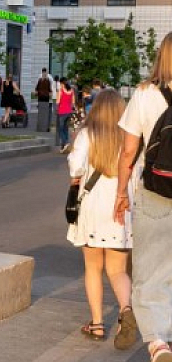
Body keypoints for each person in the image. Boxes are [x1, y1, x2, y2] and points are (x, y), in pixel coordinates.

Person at [114, 31, 172, 362]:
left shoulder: (145, 94)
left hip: (156, 194)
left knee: (150, 276)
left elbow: (127, 152)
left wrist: (121, 192)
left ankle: (159, 347)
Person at [67, 89, 135, 348]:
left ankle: (96, 324)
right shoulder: (129, 137)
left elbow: (76, 168)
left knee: (93, 267)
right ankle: (126, 310)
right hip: (120, 208)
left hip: (93, 209)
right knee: (118, 270)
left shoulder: (87, 134)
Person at [57, 77, 75, 153]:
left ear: (62, 83)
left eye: (60, 83)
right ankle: (64, 146)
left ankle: (66, 142)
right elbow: (73, 102)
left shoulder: (61, 90)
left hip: (62, 111)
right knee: (65, 129)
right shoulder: (71, 90)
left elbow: (58, 101)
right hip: (69, 111)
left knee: (60, 129)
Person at [36, 68, 53, 133]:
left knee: (43, 113)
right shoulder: (43, 79)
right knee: (43, 113)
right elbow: (50, 89)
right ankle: (43, 127)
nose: (44, 74)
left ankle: (43, 127)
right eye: (44, 73)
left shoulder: (46, 79)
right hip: (44, 98)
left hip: (43, 98)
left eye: (44, 73)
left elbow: (37, 89)